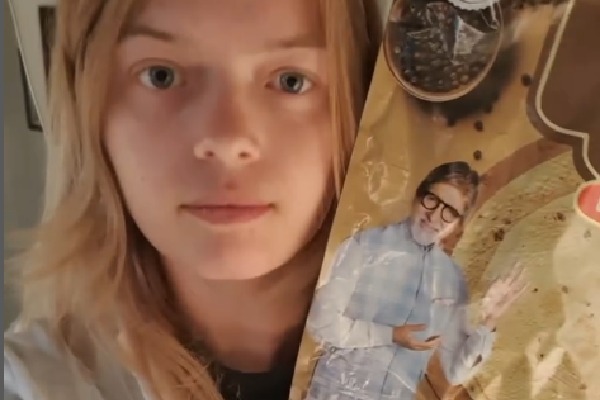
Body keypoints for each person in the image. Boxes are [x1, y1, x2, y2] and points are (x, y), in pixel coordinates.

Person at [3, 1, 382, 400]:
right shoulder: (34, 384)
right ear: (91, 116)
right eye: (161, 76)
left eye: (292, 81)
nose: (228, 140)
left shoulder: (429, 354)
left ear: (361, 103)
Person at [305, 161, 527, 400]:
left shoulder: (452, 281)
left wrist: (489, 322)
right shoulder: (365, 246)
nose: (435, 216)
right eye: (432, 200)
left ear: (458, 224)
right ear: (418, 196)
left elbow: (456, 372)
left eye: (449, 212)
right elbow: (321, 324)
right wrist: (390, 335)